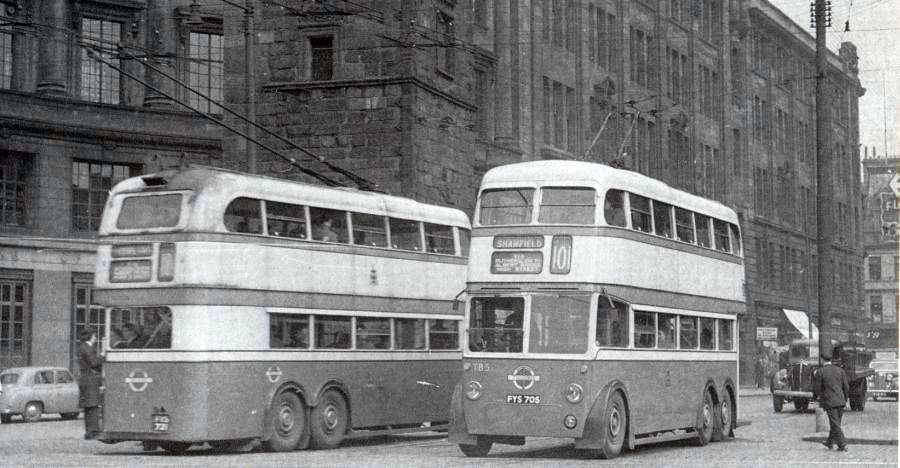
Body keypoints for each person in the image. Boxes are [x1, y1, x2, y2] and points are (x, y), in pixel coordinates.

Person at [814, 346, 850, 452]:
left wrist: (816, 398)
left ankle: (843, 445)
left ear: (822, 360)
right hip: (841, 400)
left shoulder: (820, 372)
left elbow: (817, 388)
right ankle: (830, 442)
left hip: (830, 402)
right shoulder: (840, 370)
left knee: (835, 424)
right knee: (836, 423)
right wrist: (845, 399)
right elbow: (846, 387)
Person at [78, 329, 104, 440]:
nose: (95, 338)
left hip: (85, 378)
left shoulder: (82, 347)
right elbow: (94, 362)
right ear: (91, 336)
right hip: (90, 378)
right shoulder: (87, 348)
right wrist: (103, 356)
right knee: (93, 405)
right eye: (94, 336)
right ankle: (93, 430)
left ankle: (90, 430)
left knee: (89, 406)